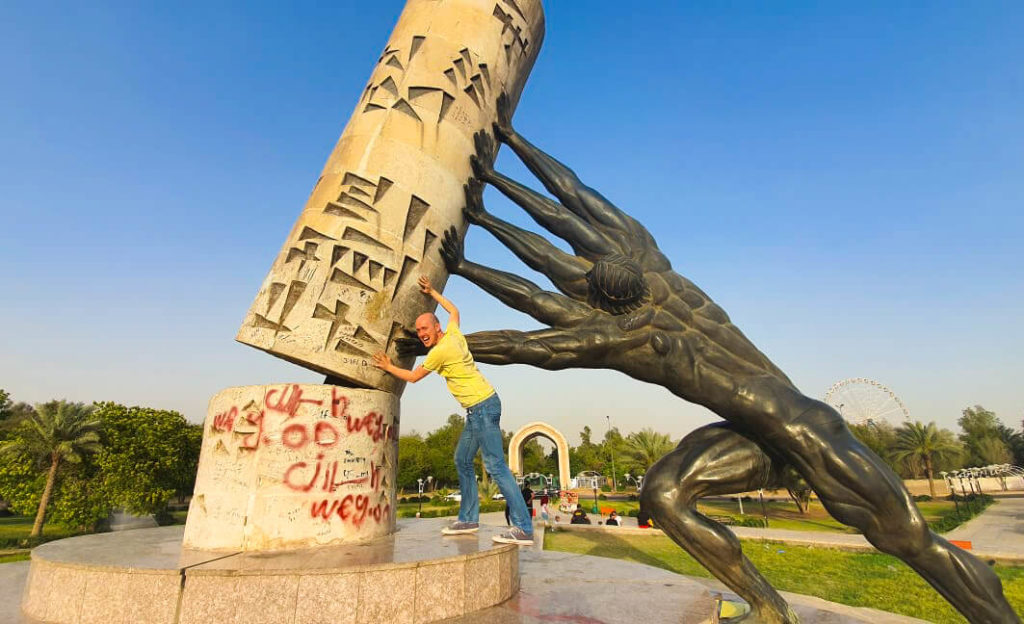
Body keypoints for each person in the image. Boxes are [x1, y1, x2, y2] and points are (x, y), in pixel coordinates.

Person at [373, 275, 533, 546]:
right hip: (479, 408)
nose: (421, 333)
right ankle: (469, 518)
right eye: (418, 330)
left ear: (436, 327)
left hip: (482, 407)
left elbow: (412, 377)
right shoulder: (454, 334)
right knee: (462, 460)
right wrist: (433, 292)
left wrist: (388, 367)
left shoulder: (439, 352)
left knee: (495, 466)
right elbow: (455, 311)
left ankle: (523, 527)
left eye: (425, 328)